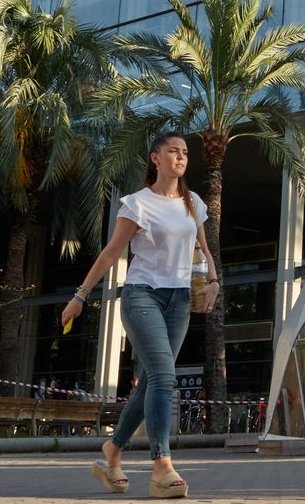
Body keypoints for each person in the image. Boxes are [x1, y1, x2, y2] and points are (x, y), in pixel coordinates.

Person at [62, 131, 219, 498]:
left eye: (184, 153)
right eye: (172, 152)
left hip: (180, 300)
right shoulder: (138, 204)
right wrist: (80, 296)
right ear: (155, 158)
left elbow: (204, 251)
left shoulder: (193, 202)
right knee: (165, 377)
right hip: (141, 296)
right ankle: (162, 466)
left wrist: (213, 281)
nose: (180, 158)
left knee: (151, 381)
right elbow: (109, 254)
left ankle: (113, 449)